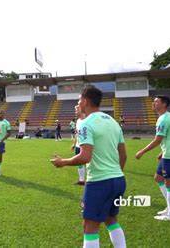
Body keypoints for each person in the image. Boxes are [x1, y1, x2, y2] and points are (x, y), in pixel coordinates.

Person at [51, 86, 127, 248]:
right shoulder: (113, 122)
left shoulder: (86, 123)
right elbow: (123, 155)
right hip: (119, 179)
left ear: (85, 101)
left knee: (90, 226)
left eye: (79, 100)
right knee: (110, 218)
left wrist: (63, 162)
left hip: (100, 182)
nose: (78, 103)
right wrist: (115, 173)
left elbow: (85, 156)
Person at [135, 95, 170, 222]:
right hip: (168, 153)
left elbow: (158, 140)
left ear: (164, 104)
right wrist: (162, 152)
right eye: (153, 102)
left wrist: (142, 151)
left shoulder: (163, 119)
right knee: (158, 178)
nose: (153, 103)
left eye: (156, 101)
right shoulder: (169, 117)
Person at [71, 105, 86, 186]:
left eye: (77, 109)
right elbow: (77, 134)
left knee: (90, 163)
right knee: (79, 163)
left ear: (82, 109)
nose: (75, 111)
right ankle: (81, 180)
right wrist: (74, 143)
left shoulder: (88, 120)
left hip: (86, 146)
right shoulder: (78, 121)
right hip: (78, 145)